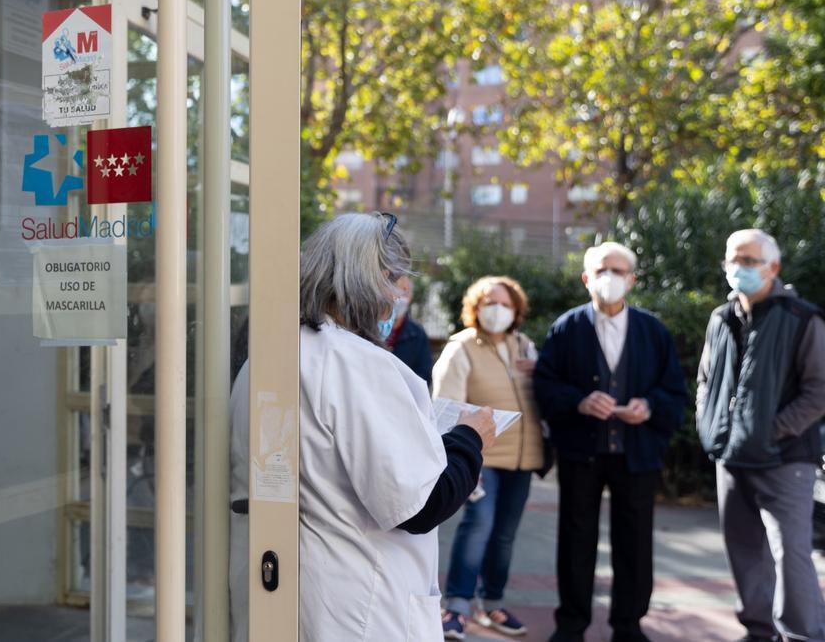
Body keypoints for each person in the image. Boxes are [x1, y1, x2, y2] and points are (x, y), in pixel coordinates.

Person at [228, 212, 498, 641]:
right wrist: (470, 438)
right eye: (395, 281)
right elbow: (421, 504)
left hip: (279, 592)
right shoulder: (358, 365)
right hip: (355, 608)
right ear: (368, 283)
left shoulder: (266, 358)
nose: (398, 296)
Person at [533, 241, 686, 642]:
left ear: (632, 280)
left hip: (636, 456)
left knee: (635, 543)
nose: (610, 278)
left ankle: (628, 626)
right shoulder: (566, 328)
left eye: (618, 271)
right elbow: (545, 385)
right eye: (602, 270)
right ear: (586, 279)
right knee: (575, 539)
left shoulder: (652, 330)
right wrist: (579, 402)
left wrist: (649, 406)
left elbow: (674, 390)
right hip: (581, 453)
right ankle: (570, 626)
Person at [695, 229, 825, 642]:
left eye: (749, 261)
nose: (739, 268)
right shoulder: (721, 317)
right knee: (743, 550)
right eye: (733, 259)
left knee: (792, 555)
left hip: (786, 459)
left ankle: (802, 634)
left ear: (774, 268)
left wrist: (771, 431)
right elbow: (706, 379)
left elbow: (819, 390)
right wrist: (710, 422)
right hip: (731, 456)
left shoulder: (803, 318)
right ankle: (757, 630)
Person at [433, 276, 543, 639]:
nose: (497, 309)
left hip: (523, 458)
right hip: (482, 457)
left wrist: (539, 372)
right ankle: (457, 607)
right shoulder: (461, 347)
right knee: (478, 526)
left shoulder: (524, 346)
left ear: (517, 310)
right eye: (488, 302)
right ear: (475, 307)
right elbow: (445, 405)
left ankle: (492, 602)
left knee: (505, 535)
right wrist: (459, 454)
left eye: (505, 303)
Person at [387, 259, 435, 384]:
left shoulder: (417, 334)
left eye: (405, 293)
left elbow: (424, 375)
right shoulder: (370, 328)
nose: (400, 298)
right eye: (396, 292)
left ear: (411, 297)